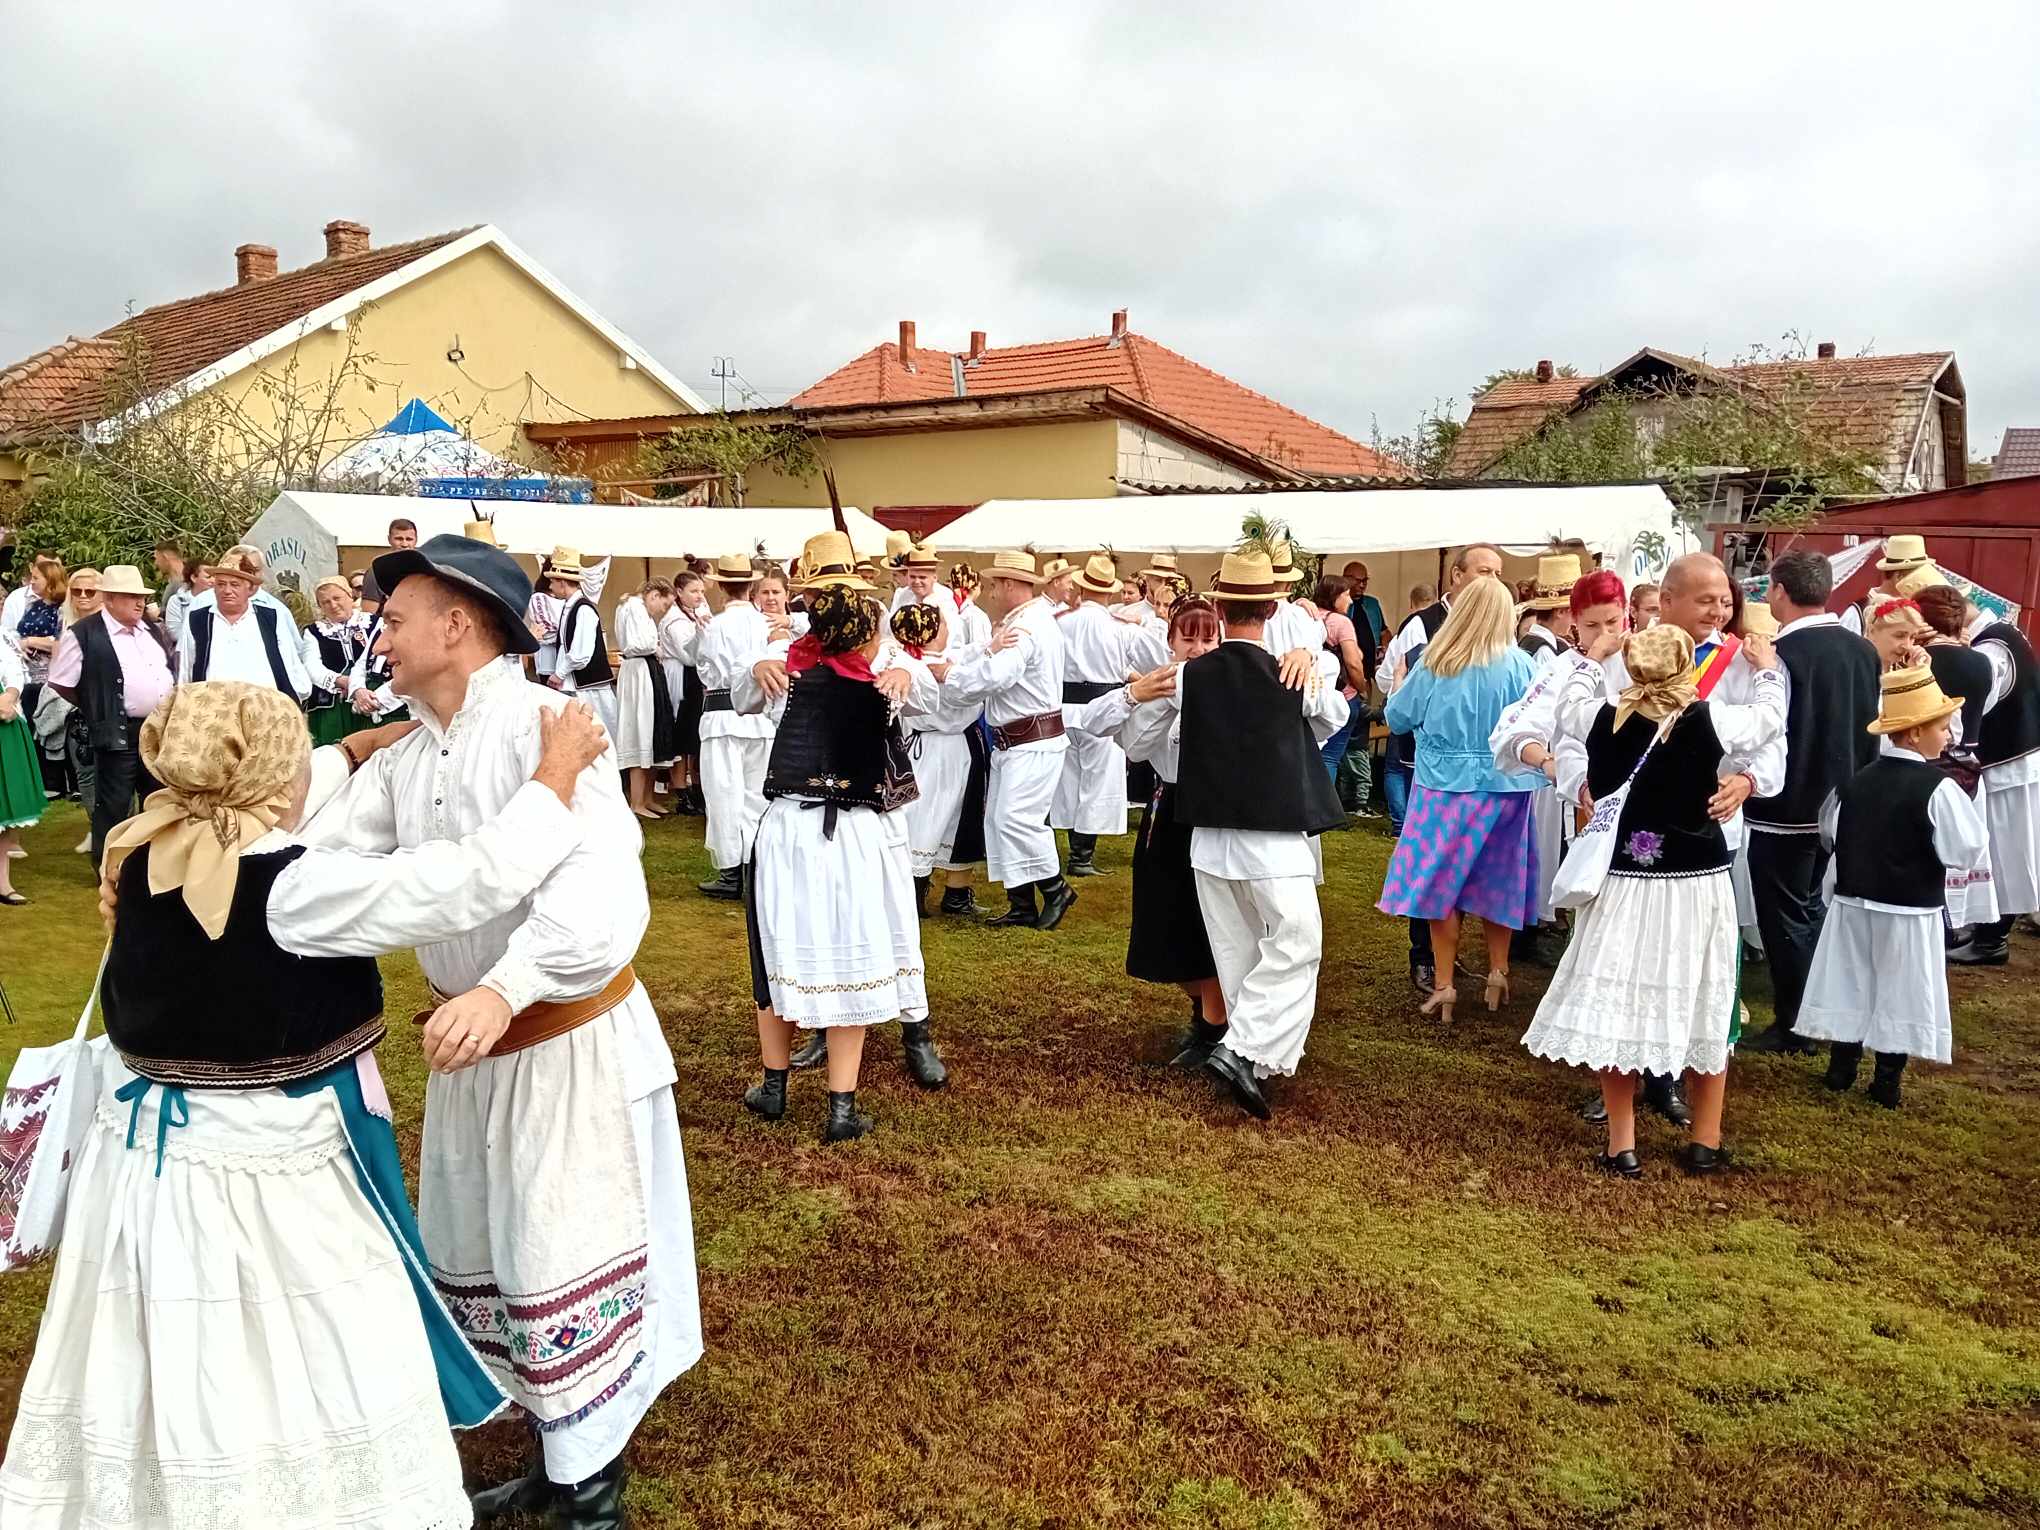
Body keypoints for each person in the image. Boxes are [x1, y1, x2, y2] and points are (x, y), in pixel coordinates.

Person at [0, 684, 612, 1525]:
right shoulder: (294, 887)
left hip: (144, 1164)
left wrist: (358, 749)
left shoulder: (142, 848)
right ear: (268, 775)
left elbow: (293, 783)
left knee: (164, 1341)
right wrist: (555, 774)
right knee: (299, 1339)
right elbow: (466, 882)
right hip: (259, 1170)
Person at [299, 531, 703, 1521]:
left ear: (457, 625)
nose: (379, 636)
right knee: (494, 1252)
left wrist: (507, 987)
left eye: (394, 619)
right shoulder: (410, 753)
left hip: (562, 1043)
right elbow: (314, 855)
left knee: (559, 1248)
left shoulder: (548, 729)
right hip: (475, 1051)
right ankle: (558, 1465)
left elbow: (603, 891)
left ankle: (591, 1495)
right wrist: (187, 873)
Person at [1521, 623, 1787, 1177]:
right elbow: (1769, 717)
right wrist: (1766, 671)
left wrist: (1593, 657)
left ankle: (1622, 1145)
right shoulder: (1710, 718)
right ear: (1685, 666)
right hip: (1697, 879)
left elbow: (1567, 703)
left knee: (1616, 1005)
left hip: (1622, 880)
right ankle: (1705, 1140)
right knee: (1704, 1000)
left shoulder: (1600, 716)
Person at [736, 543, 949, 1136]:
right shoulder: (788, 658)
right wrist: (754, 669)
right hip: (817, 825)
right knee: (804, 945)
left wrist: (909, 670)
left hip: (847, 823)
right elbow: (745, 690)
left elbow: (929, 696)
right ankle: (825, 1101)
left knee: (843, 940)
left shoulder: (879, 662)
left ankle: (818, 1083)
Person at [1172, 551, 1348, 1120]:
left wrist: (1308, 657)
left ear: (1219, 609)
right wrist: (1311, 659)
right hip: (1272, 838)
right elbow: (1335, 718)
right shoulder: (1293, 675)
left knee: (1238, 949)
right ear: (1272, 609)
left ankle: (1250, 1056)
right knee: (1296, 943)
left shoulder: (1189, 675)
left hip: (1209, 838)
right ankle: (1244, 1051)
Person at [1798, 666, 1989, 1109]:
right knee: (1903, 987)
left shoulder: (1854, 782)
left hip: (1853, 901)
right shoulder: (1938, 788)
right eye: (1942, 727)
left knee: (1849, 977)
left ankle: (1841, 1067)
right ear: (1916, 732)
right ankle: (1886, 1080)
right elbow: (1966, 848)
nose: (1948, 735)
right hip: (1909, 909)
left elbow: (1831, 834)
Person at [1066, 595, 1228, 1061]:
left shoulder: (1229, 685)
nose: (1198, 649)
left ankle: (1213, 1026)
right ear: (1170, 640)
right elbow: (1125, 741)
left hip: (1214, 814)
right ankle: (1204, 1009)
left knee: (1210, 922)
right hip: (1169, 810)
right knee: (1165, 919)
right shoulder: (1160, 682)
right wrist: (1140, 695)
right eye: (1188, 638)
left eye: (1208, 639)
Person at [1378, 574, 1542, 1022]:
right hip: (1508, 787)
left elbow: (1398, 718)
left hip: (1443, 789)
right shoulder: (1523, 666)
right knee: (1500, 882)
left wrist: (1399, 682)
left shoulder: (1437, 662)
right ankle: (1498, 972)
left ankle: (1445, 984)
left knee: (1439, 887)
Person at [1739, 550, 1882, 1055]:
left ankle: (1797, 1023)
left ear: (1778, 591)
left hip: (1790, 803)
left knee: (1785, 917)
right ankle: (1821, 1010)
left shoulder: (1780, 656)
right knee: (1815, 910)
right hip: (1844, 799)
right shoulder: (1863, 650)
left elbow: (1768, 727)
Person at [1380, 543, 1507, 991]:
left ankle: (1446, 969)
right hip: (1471, 778)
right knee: (1464, 877)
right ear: (1457, 575)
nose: (1491, 580)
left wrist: (1401, 692)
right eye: (1484, 571)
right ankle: (1442, 961)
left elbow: (1399, 711)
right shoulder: (1423, 627)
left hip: (1452, 779)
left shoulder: (1489, 654)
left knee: (1447, 876)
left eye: (1497, 573)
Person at [942, 550, 1077, 929]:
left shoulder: (1026, 626)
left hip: (1032, 739)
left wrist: (950, 677)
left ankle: (1055, 888)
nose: (990, 593)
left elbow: (997, 675)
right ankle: (1021, 903)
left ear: (1008, 584)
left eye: (994, 585)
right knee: (1000, 820)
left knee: (1016, 819)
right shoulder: (1026, 620)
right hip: (1017, 740)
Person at [45, 564, 176, 865]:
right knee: (114, 806)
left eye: (141, 597)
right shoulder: (84, 633)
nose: (139, 603)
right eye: (131, 597)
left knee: (160, 801)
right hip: (119, 730)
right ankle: (109, 870)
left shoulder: (150, 630)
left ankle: (154, 868)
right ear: (110, 599)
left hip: (158, 730)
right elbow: (62, 682)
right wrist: (97, 706)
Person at [1948, 596, 2040, 966]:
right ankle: (1987, 931)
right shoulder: (2000, 635)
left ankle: (1992, 940)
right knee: (2007, 849)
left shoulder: (1990, 650)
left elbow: (1975, 705)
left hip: (2009, 765)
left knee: (2006, 853)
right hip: (2016, 758)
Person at [891, 602, 989, 916]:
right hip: (952, 749)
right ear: (934, 632)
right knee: (953, 815)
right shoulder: (936, 670)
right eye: (944, 624)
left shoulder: (905, 661)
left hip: (916, 746)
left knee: (919, 815)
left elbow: (966, 652)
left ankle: (919, 890)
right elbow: (972, 688)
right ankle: (949, 893)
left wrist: (990, 647)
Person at [695, 555, 782, 898]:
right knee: (756, 795)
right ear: (751, 586)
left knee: (723, 796)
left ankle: (732, 872)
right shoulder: (766, 624)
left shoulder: (714, 626)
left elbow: (705, 668)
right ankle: (755, 866)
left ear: (721, 587)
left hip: (723, 716)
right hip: (761, 718)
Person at [1511, 553, 1583, 956]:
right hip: (1544, 757)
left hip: (1546, 758)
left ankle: (1538, 918)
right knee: (1541, 841)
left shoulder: (1544, 645)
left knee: (1544, 841)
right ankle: (1534, 922)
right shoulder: (1543, 652)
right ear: (1563, 612)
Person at [1053, 553, 1138, 877]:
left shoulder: (1060, 622)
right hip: (1103, 708)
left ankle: (1077, 852)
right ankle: (1081, 856)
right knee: (1097, 780)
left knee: (1070, 778)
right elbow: (1132, 662)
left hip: (1065, 709)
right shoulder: (1118, 628)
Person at [178, 545, 312, 703]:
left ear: (249, 588)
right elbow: (187, 666)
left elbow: (291, 663)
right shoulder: (198, 618)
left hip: (263, 707)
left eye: (234, 584)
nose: (227, 591)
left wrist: (290, 702)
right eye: (221, 584)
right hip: (214, 708)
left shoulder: (272, 616)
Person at [615, 576, 680, 818]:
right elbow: (641, 643)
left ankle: (647, 798)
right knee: (640, 729)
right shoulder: (634, 608)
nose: (663, 610)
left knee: (653, 729)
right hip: (640, 673)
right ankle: (637, 801)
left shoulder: (639, 610)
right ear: (654, 595)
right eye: (664, 604)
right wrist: (656, 646)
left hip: (647, 670)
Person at [4, 556, 67, 798]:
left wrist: (31, 641)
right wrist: (21, 644)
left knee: (50, 726)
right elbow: (15, 634)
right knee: (32, 724)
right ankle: (39, 779)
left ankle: (58, 782)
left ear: (50, 580)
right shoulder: (34, 605)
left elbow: (62, 641)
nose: (32, 582)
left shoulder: (61, 608)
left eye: (36, 578)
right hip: (27, 674)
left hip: (50, 674)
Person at [545, 546, 619, 740]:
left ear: (562, 582)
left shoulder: (583, 609)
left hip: (589, 687)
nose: (550, 586)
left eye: (552, 581)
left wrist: (559, 673)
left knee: (596, 733)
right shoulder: (569, 607)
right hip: (576, 685)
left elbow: (581, 654)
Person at [1311, 574, 1371, 789]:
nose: (1350, 600)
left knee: (1312, 754)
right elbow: (1353, 663)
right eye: (1346, 595)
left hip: (1312, 696)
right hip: (1342, 696)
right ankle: (1324, 805)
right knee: (1329, 757)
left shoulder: (1306, 616)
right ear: (1334, 597)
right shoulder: (1341, 622)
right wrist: (1362, 689)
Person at [301, 574, 373, 746]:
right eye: (325, 602)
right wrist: (340, 681)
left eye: (337, 598)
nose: (333, 605)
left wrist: (359, 685)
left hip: (370, 696)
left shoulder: (373, 623)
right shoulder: (314, 632)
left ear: (350, 596)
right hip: (331, 703)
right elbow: (311, 666)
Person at [663, 568, 712, 814]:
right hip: (681, 676)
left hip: (693, 677)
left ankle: (697, 789)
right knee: (682, 735)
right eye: (694, 591)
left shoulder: (694, 614)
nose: (700, 596)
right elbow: (688, 655)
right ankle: (682, 793)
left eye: (701, 591)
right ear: (679, 592)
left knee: (694, 735)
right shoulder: (676, 620)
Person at [0, 635, 40, 903]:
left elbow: (13, 669)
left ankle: (2, 882)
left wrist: (10, 696)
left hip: (5, 726)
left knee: (5, 809)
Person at [1841, 535, 1932, 635]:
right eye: (1918, 576)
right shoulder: (1858, 612)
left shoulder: (1920, 608)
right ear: (1899, 577)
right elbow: (1843, 644)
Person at [1340, 561, 1389, 653]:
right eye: (1358, 581)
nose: (1362, 585)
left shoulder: (1373, 604)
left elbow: (1384, 632)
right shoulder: (1338, 604)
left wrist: (1384, 646)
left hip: (1372, 659)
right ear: (1345, 580)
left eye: (1365, 581)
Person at [153, 539, 194, 642]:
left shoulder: (183, 583)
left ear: (165, 556)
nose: (156, 563)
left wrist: (157, 614)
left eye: (156, 558)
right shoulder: (176, 581)